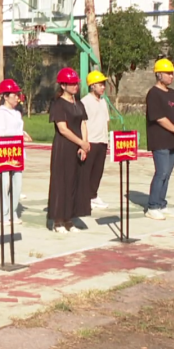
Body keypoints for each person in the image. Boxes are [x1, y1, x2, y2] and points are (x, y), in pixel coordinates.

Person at [47, 68, 91, 233]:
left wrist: (84, 144)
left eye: (76, 83)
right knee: (62, 182)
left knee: (75, 182)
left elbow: (83, 123)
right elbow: (63, 129)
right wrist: (81, 142)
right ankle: (58, 220)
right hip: (64, 147)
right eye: (71, 84)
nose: (75, 86)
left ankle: (69, 218)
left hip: (78, 147)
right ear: (63, 85)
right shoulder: (58, 104)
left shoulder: (78, 104)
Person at [145, 59, 174, 221]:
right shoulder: (153, 94)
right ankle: (153, 206)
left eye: (172, 73)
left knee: (167, 174)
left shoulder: (173, 93)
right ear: (158, 74)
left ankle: (162, 203)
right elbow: (159, 118)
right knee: (161, 172)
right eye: (168, 73)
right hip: (160, 139)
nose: (171, 76)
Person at [0, 79, 32, 225]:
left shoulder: (16, 113)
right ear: (5, 96)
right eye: (14, 95)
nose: (17, 98)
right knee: (4, 184)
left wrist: (24, 133)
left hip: (17, 151)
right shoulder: (0, 113)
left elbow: (18, 129)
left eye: (17, 95)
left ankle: (12, 212)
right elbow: (2, 132)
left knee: (16, 185)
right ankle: (0, 214)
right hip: (4, 152)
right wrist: (20, 135)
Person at [81, 70, 111, 210]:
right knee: (87, 172)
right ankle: (84, 197)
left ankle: (93, 195)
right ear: (92, 86)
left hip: (102, 141)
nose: (103, 87)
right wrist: (84, 142)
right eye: (100, 84)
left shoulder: (103, 101)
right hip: (90, 141)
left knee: (98, 171)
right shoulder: (85, 102)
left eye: (103, 84)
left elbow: (106, 120)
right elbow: (82, 123)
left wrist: (107, 138)